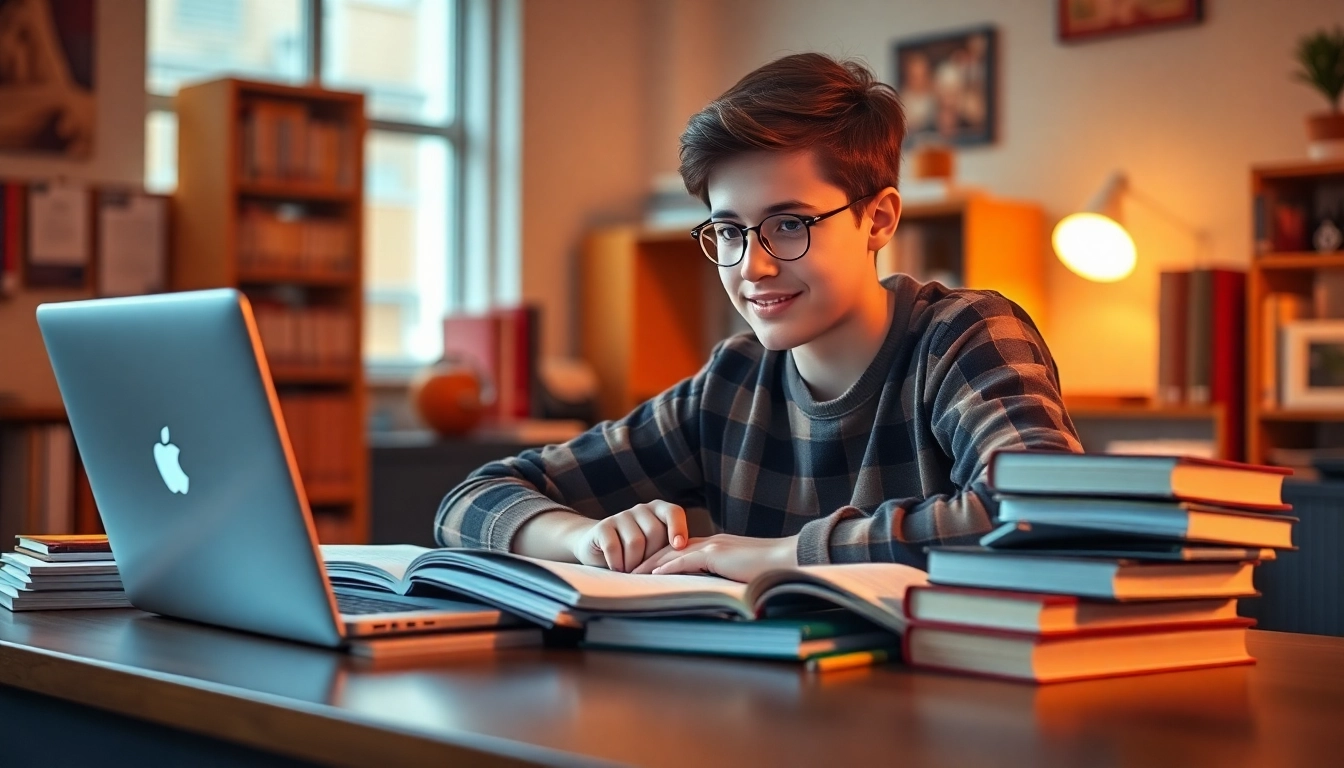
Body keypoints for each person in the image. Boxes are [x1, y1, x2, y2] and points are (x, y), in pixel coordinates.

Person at [436, 52, 1080, 582]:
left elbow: (1043, 511)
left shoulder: (964, 336)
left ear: (878, 218)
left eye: (789, 225)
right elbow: (471, 501)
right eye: (729, 231)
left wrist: (777, 557)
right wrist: (585, 539)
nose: (753, 267)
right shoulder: (732, 382)